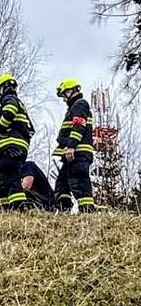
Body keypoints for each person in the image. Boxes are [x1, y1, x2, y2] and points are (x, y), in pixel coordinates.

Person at [0, 74, 34, 211]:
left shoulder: (9, 99)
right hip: (11, 148)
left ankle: (20, 208)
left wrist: (1, 128)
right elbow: (31, 130)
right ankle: (6, 210)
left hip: (10, 147)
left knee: (10, 178)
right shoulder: (18, 103)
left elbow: (10, 111)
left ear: (3, 87)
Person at [53, 78, 95, 212]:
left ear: (73, 90)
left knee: (79, 183)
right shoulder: (74, 107)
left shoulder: (80, 104)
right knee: (62, 184)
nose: (64, 98)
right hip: (71, 155)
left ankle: (87, 212)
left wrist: (71, 146)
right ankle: (63, 210)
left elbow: (79, 125)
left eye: (65, 94)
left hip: (78, 153)